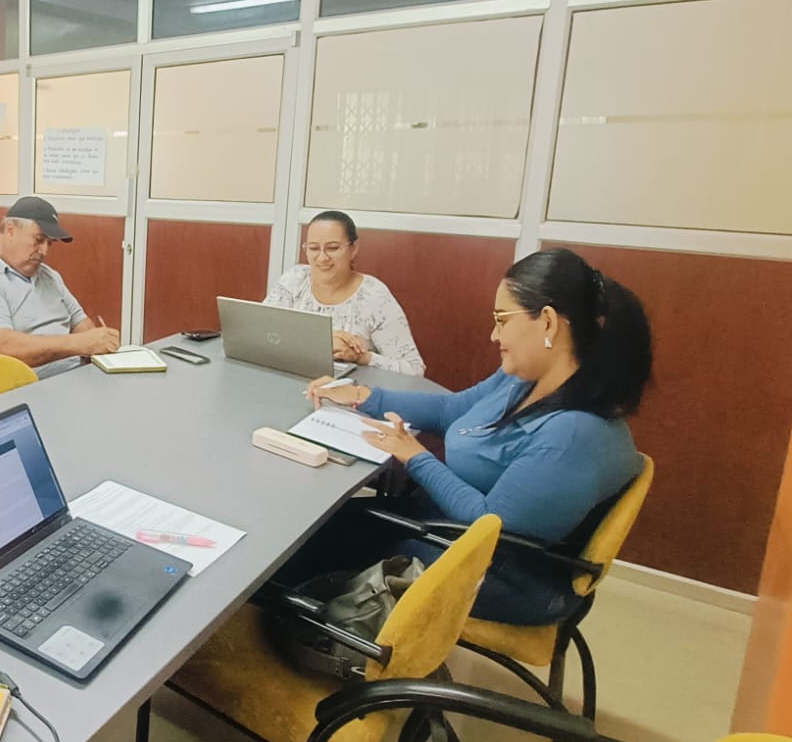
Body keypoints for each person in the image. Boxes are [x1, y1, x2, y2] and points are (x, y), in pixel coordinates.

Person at [300, 247, 652, 625]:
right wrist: (363, 396)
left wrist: (415, 457)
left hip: (502, 571)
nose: (493, 334)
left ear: (548, 322)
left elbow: (492, 523)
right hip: (453, 528)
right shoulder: (525, 379)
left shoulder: (574, 433)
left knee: (314, 547)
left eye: (502, 319)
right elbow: (452, 409)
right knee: (329, 527)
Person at [0, 196, 120, 376]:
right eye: (39, 240)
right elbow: (6, 349)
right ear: (10, 231)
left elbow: (81, 324)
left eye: (50, 243)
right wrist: (80, 344)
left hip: (76, 375)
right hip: (26, 386)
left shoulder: (50, 277)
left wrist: (98, 342)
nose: (44, 251)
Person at [265, 210, 425, 376]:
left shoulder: (374, 297)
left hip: (349, 388)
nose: (322, 258)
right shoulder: (294, 279)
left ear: (353, 248)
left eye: (333, 248)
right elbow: (264, 336)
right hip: (289, 378)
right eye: (313, 248)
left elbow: (414, 370)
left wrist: (362, 357)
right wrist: (324, 341)